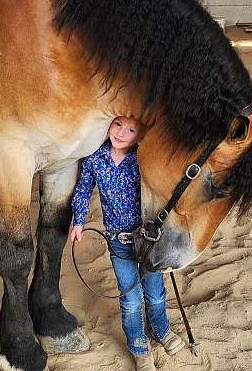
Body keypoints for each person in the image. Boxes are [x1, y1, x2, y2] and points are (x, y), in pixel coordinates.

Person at [70, 116, 184, 371]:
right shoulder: (95, 158)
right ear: (108, 125)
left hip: (148, 239)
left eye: (131, 129)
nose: (121, 133)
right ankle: (139, 347)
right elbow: (84, 188)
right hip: (118, 241)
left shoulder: (142, 158)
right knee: (130, 298)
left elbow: (162, 188)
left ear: (140, 134)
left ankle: (160, 329)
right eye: (117, 125)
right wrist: (78, 220)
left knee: (154, 293)